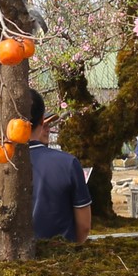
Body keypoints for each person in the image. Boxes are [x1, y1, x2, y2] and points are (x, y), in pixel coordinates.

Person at [27, 90, 94, 243]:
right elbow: (84, 225)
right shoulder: (67, 164)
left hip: (6, 261)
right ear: (42, 121)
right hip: (60, 256)